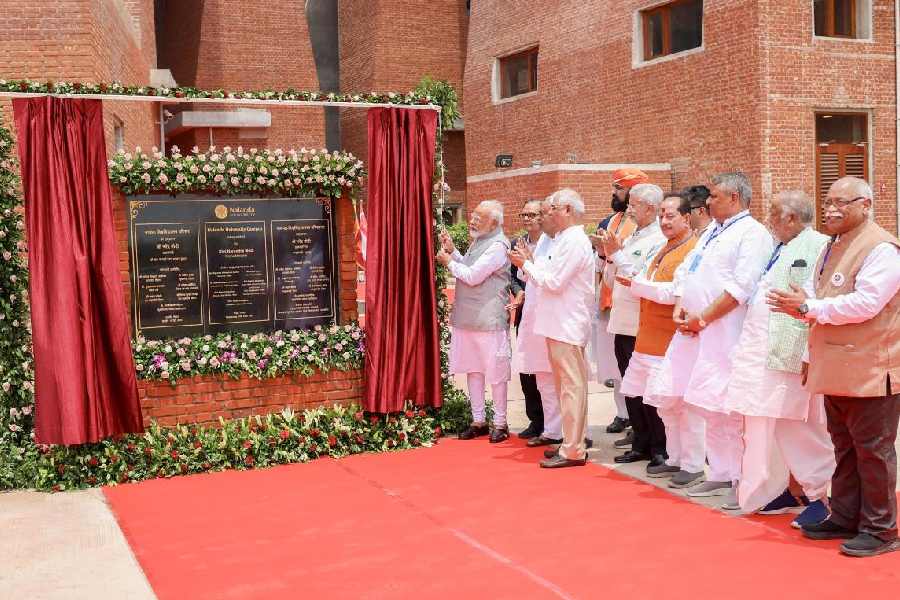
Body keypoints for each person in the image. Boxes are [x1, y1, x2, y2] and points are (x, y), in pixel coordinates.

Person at [769, 176, 900, 558]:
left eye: (842, 202)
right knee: (843, 447)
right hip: (837, 364)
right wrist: (804, 307)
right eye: (828, 201)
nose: (831, 209)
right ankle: (845, 515)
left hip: (871, 368)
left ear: (866, 205)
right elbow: (824, 297)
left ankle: (881, 529)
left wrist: (809, 307)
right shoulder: (832, 245)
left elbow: (866, 303)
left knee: (873, 452)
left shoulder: (883, 249)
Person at [725, 191, 834, 527]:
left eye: (774, 212)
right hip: (763, 353)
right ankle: (783, 489)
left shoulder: (815, 245)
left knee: (797, 425)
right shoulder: (782, 247)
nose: (768, 218)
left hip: (789, 355)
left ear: (790, 218)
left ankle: (823, 495)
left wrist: (805, 354)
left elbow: (812, 300)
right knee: (768, 426)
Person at [674, 172, 773, 507]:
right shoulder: (712, 232)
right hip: (702, 331)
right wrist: (682, 307)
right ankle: (718, 471)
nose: (707, 202)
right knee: (709, 404)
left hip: (728, 332)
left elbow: (741, 288)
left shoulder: (752, 233)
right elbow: (690, 271)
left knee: (732, 408)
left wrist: (702, 318)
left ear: (734, 198)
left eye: (714, 196)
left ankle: (739, 479)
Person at [509, 188, 595, 468]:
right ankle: (570, 442)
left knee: (571, 387)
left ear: (567, 210)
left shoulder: (573, 241)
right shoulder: (561, 240)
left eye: (551, 209)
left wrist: (527, 265)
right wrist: (530, 264)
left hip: (567, 323)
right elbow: (548, 275)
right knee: (565, 387)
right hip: (557, 323)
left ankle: (573, 449)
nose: (547, 215)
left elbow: (554, 282)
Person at [618, 192, 698, 473]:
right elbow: (642, 277)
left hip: (668, 341)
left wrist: (638, 287)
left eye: (670, 215)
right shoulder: (662, 247)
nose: (664, 220)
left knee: (674, 406)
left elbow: (674, 292)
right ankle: (673, 458)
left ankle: (684, 462)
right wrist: (639, 284)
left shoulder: (693, 249)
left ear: (687, 218)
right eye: (662, 215)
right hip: (646, 337)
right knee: (659, 405)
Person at [595, 183, 666, 461]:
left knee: (648, 390)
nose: (629, 209)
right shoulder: (634, 234)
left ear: (650, 208)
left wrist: (618, 255)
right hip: (622, 320)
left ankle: (658, 447)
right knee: (631, 386)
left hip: (641, 324)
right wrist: (609, 256)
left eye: (635, 204)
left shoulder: (659, 239)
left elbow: (641, 275)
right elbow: (615, 276)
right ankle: (640, 441)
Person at [437, 200, 512, 443]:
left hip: (489, 319)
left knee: (496, 373)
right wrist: (454, 252)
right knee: (474, 369)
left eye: (479, 217)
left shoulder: (498, 245)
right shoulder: (480, 240)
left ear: (493, 222)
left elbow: (472, 276)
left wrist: (448, 262)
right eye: (473, 215)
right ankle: (478, 419)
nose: (473, 220)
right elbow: (469, 265)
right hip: (468, 318)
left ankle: (500, 422)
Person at [589, 168, 644, 434]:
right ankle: (622, 413)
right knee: (615, 363)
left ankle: (638, 421)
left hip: (632, 303)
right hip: (608, 299)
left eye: (619, 188)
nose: (614, 193)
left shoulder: (643, 226)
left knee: (632, 363)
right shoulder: (610, 221)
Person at [510, 199, 563, 447]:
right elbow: (523, 275)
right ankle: (549, 429)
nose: (532, 218)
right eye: (527, 214)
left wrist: (528, 263)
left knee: (556, 379)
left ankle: (563, 430)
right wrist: (526, 264)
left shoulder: (560, 241)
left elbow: (550, 279)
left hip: (552, 318)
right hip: (532, 315)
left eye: (538, 214)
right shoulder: (533, 242)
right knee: (540, 377)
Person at [508, 200, 546, 440]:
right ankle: (535, 419)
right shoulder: (517, 243)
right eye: (524, 214)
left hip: (545, 312)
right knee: (526, 367)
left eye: (532, 214)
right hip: (524, 311)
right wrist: (518, 291)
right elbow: (511, 275)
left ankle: (552, 422)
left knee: (546, 370)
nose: (527, 219)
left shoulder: (549, 242)